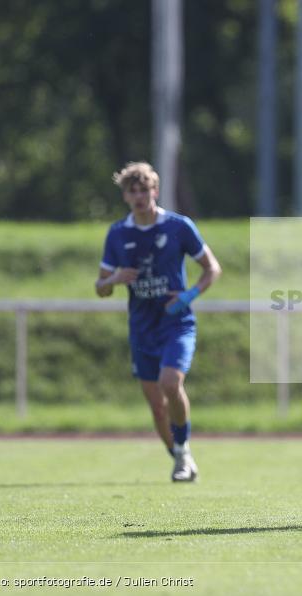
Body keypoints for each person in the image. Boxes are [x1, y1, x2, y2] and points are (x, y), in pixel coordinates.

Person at [95, 162, 221, 482]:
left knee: (170, 383)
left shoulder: (178, 227)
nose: (138, 196)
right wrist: (116, 277)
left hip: (176, 323)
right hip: (141, 328)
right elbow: (101, 288)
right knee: (157, 407)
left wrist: (187, 297)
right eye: (131, 190)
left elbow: (212, 269)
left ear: (155, 190)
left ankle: (182, 453)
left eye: (144, 189)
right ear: (124, 196)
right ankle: (181, 457)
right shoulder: (118, 233)